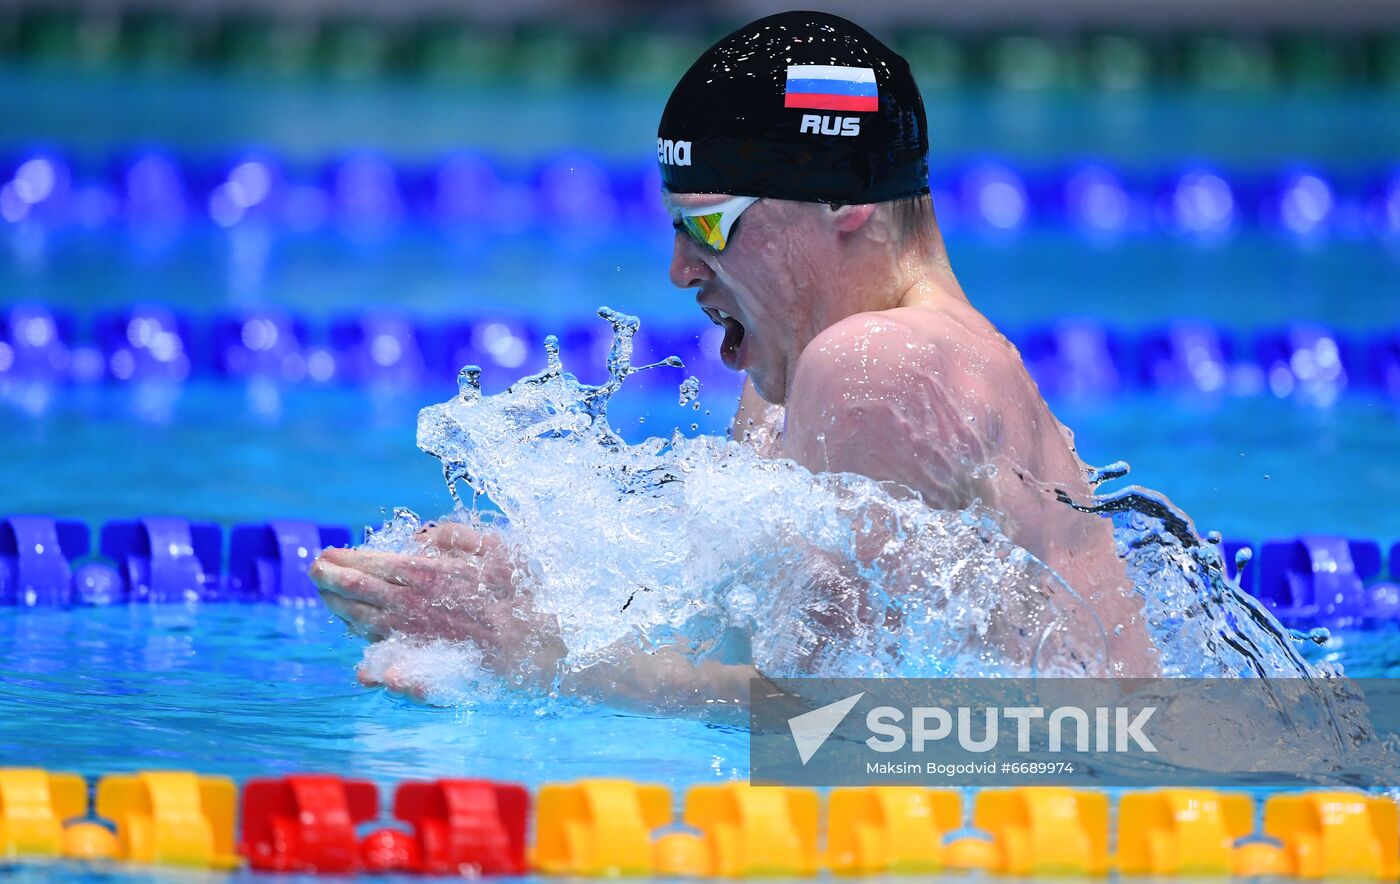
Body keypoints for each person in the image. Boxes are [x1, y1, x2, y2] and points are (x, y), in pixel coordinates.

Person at [311, 11, 1157, 711]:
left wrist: (530, 650)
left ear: (844, 203)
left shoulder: (882, 362)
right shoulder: (797, 379)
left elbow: (820, 720)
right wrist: (534, 592)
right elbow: (745, 641)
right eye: (678, 226)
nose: (681, 269)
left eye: (711, 225)